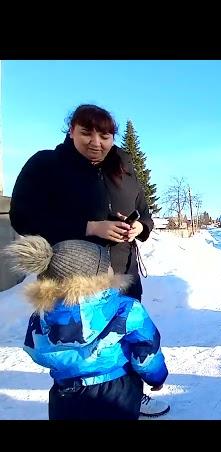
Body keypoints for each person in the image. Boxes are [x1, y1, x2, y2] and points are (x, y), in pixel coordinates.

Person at [9, 104, 168, 417]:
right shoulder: (47, 165)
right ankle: (75, 395)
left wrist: (140, 227)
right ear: (71, 131)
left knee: (128, 337)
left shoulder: (122, 165)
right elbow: (23, 217)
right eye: (87, 133)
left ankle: (131, 393)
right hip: (73, 281)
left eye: (105, 135)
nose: (97, 142)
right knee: (78, 347)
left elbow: (144, 210)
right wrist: (90, 227)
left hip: (123, 272)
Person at [3, 235, 168, 420]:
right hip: (117, 392)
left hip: (65, 394)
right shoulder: (126, 309)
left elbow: (37, 351)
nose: (112, 268)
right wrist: (156, 377)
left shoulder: (42, 315)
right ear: (99, 276)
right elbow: (147, 349)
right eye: (108, 266)